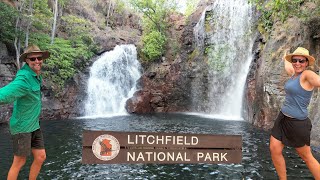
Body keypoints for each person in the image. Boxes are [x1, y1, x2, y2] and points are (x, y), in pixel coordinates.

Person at [0, 44, 50, 180]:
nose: (37, 61)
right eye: (32, 59)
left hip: (34, 125)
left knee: (40, 157)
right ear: (27, 60)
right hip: (22, 127)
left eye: (39, 58)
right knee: (19, 162)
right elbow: (5, 94)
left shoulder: (35, 75)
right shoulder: (24, 79)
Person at [269, 47, 320, 179]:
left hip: (297, 123)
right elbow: (288, 66)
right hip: (282, 119)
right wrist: (285, 55)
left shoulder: (307, 75)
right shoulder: (294, 73)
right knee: (274, 149)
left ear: (307, 63)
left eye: (301, 61)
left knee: (307, 157)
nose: (297, 63)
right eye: (295, 60)